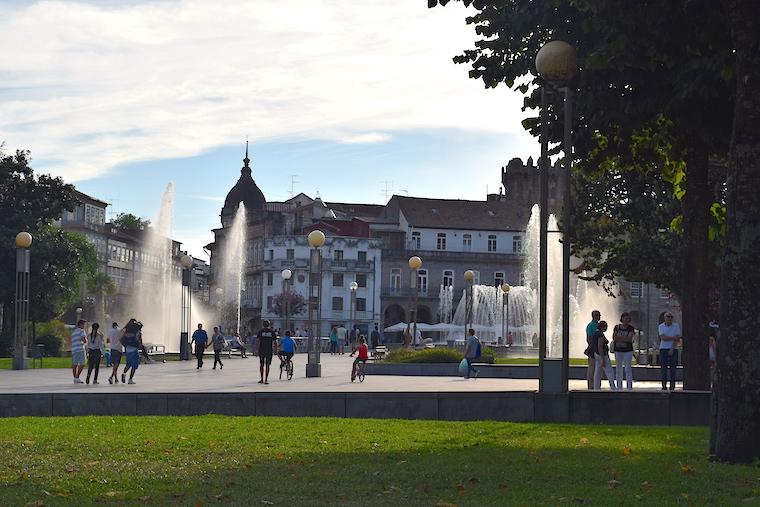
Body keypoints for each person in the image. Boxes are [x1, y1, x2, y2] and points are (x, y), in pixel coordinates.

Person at [658, 313, 682, 390]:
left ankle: (672, 386)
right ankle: (664, 385)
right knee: (663, 369)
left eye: (671, 317)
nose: (669, 318)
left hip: (673, 349)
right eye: (668, 317)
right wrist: (673, 337)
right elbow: (663, 338)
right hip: (663, 349)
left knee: (673, 369)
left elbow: (677, 338)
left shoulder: (676, 326)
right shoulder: (661, 326)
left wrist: (672, 348)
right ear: (664, 318)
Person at [612, 313, 635, 390]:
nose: (627, 320)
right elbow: (614, 338)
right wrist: (625, 338)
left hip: (628, 351)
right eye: (625, 318)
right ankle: (619, 386)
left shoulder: (631, 328)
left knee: (628, 368)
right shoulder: (617, 327)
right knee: (618, 368)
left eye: (628, 319)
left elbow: (629, 339)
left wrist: (620, 338)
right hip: (618, 350)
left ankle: (629, 387)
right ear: (622, 319)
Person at [592, 321, 616, 390]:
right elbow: (600, 346)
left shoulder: (596, 333)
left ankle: (596, 387)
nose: (607, 328)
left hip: (597, 354)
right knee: (609, 371)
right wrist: (602, 358)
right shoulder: (600, 335)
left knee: (598, 371)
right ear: (602, 327)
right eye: (606, 326)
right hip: (602, 355)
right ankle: (612, 386)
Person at [584, 310, 601, 389]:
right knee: (592, 368)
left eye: (599, 315)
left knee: (597, 369)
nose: (598, 317)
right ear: (593, 316)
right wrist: (593, 347)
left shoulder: (598, 325)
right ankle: (590, 386)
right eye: (596, 315)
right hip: (593, 349)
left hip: (597, 349)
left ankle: (596, 385)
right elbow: (589, 338)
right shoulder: (591, 325)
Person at [121, 319, 141, 384]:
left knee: (128, 364)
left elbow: (121, 340)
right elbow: (139, 341)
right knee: (134, 366)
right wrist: (139, 346)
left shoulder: (126, 333)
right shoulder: (137, 332)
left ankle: (124, 373)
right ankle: (130, 379)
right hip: (134, 350)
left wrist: (126, 346)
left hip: (128, 351)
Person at [71, 319, 87, 384]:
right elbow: (84, 339)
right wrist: (86, 341)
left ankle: (75, 378)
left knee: (75, 364)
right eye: (83, 324)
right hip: (80, 349)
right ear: (81, 324)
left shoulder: (74, 332)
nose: (84, 326)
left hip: (74, 349)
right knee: (83, 363)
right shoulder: (81, 331)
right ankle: (77, 377)